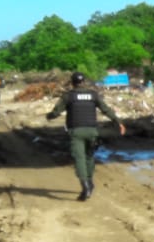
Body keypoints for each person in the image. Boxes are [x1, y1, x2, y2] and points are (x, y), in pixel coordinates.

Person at [46, 72, 126, 201]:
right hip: (92, 131)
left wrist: (49, 116)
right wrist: (118, 122)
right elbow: (106, 109)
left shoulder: (68, 96)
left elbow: (56, 112)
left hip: (76, 132)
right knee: (89, 156)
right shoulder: (93, 95)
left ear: (72, 83)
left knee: (79, 159)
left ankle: (86, 187)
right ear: (84, 82)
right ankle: (90, 182)